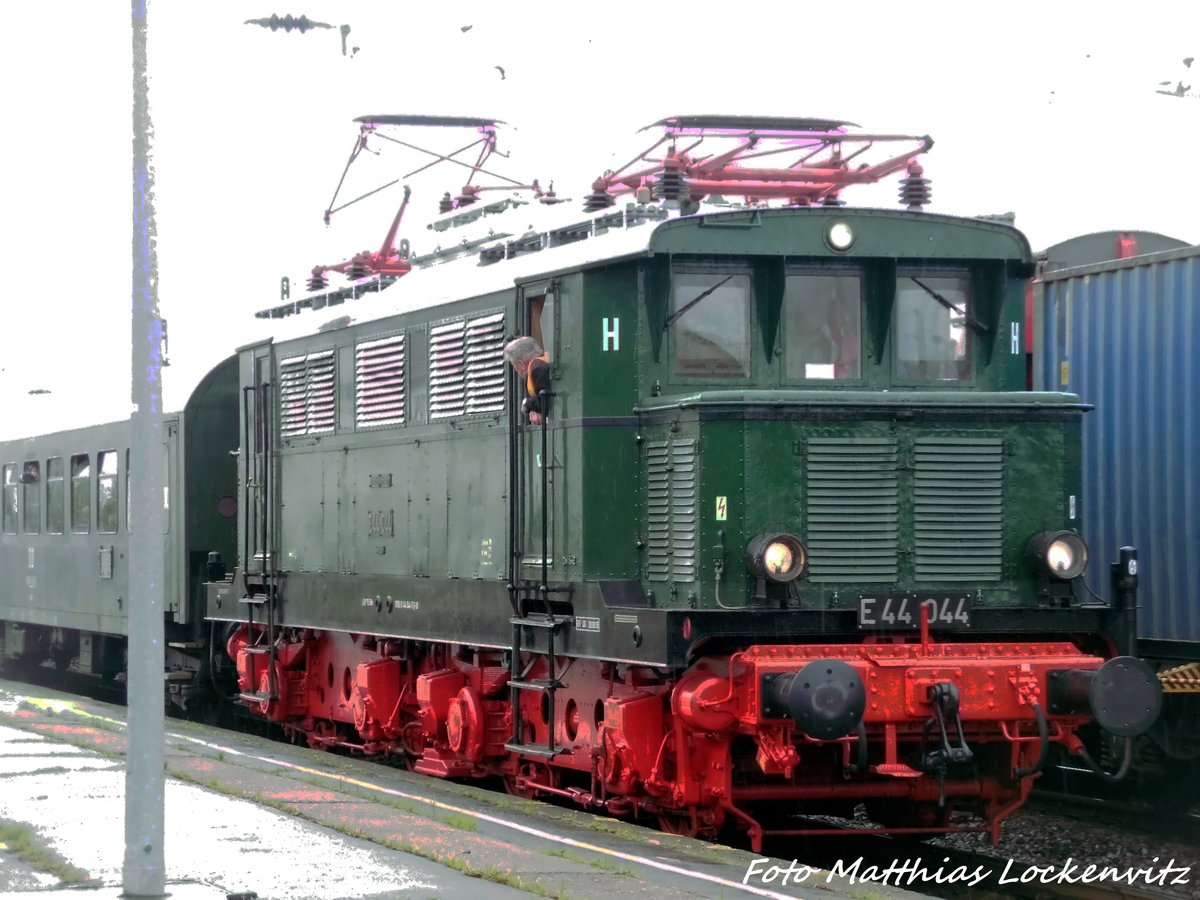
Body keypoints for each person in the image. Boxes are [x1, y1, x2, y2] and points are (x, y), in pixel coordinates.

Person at [504, 336, 551, 424]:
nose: (515, 369)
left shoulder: (537, 368)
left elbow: (545, 400)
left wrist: (526, 403)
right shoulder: (543, 362)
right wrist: (534, 409)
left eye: (514, 365)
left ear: (520, 364)